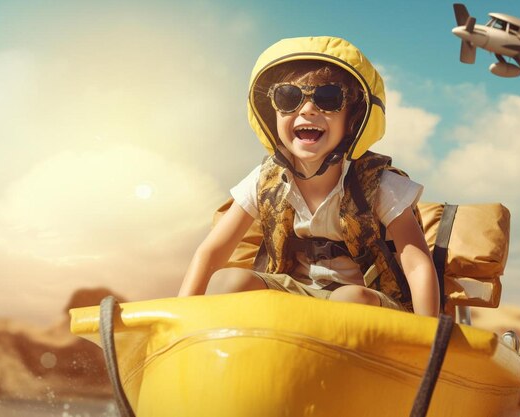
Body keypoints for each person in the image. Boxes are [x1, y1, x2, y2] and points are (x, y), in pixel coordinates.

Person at [179, 36, 439, 316]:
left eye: (328, 98)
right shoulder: (265, 180)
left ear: (353, 119)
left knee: (350, 299)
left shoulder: (380, 185)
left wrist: (429, 338)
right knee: (230, 281)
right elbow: (211, 254)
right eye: (288, 97)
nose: (307, 109)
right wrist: (178, 319)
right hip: (294, 293)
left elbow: (417, 264)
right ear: (272, 113)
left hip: (369, 301)